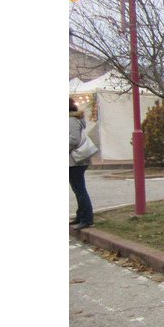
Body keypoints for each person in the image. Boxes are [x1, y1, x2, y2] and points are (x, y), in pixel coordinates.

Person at [69, 97, 94, 230]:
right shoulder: (73, 119)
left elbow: (73, 140)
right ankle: (81, 215)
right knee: (77, 189)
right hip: (74, 161)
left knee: (79, 189)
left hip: (75, 161)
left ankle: (87, 218)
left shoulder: (71, 120)